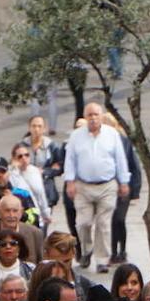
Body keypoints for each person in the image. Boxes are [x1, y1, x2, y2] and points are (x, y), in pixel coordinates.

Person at [63, 102, 131, 274]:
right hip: (83, 185)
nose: (93, 118)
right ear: (85, 117)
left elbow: (120, 159)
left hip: (107, 185)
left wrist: (124, 182)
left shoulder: (112, 134)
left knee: (103, 223)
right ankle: (86, 251)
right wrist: (70, 181)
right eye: (90, 115)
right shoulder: (76, 136)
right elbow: (70, 159)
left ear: (101, 116)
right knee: (83, 223)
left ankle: (102, 259)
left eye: (96, 115)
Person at [99, 113, 141, 267]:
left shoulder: (123, 141)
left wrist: (134, 189)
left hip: (123, 188)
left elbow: (133, 165)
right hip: (106, 189)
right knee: (109, 221)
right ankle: (113, 252)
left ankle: (122, 250)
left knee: (119, 219)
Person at [7, 142, 51, 231]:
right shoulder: (10, 173)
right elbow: (16, 189)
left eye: (26, 155)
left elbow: (41, 194)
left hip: (37, 216)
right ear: (13, 158)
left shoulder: (34, 171)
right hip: (21, 217)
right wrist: (15, 170)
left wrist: (46, 213)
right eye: (20, 156)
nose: (24, 158)